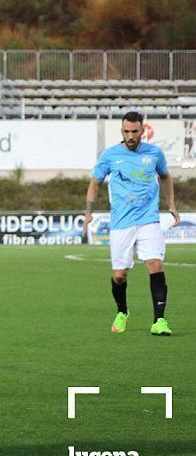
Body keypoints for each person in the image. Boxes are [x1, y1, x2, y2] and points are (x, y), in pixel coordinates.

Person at [84, 111, 179, 336]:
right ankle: (122, 311)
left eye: (134, 131)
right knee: (119, 275)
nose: (130, 136)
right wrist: (89, 212)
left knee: (155, 265)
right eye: (126, 131)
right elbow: (95, 183)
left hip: (148, 219)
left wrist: (172, 204)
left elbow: (166, 177)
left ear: (142, 130)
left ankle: (159, 321)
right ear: (122, 131)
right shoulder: (110, 155)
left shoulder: (155, 153)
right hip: (121, 223)